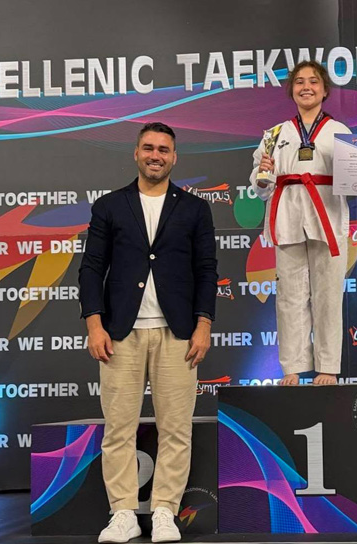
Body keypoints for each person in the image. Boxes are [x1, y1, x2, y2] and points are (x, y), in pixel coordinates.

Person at [79, 122, 218, 543]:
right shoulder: (109, 206)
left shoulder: (194, 209)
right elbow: (90, 268)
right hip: (120, 334)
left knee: (176, 428)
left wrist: (203, 325)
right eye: (148, 148)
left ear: (174, 157)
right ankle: (122, 512)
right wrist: (94, 325)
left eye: (163, 149)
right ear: (136, 154)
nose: (155, 155)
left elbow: (206, 270)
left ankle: (164, 512)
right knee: (118, 428)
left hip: (178, 335)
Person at [250, 60, 357, 386]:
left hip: (327, 216)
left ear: (325, 90)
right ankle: (292, 367)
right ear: (291, 90)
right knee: (289, 296)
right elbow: (260, 187)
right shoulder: (274, 135)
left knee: (328, 295)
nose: (306, 87)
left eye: (313, 81)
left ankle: (327, 367)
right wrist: (263, 173)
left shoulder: (339, 132)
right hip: (287, 217)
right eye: (299, 81)